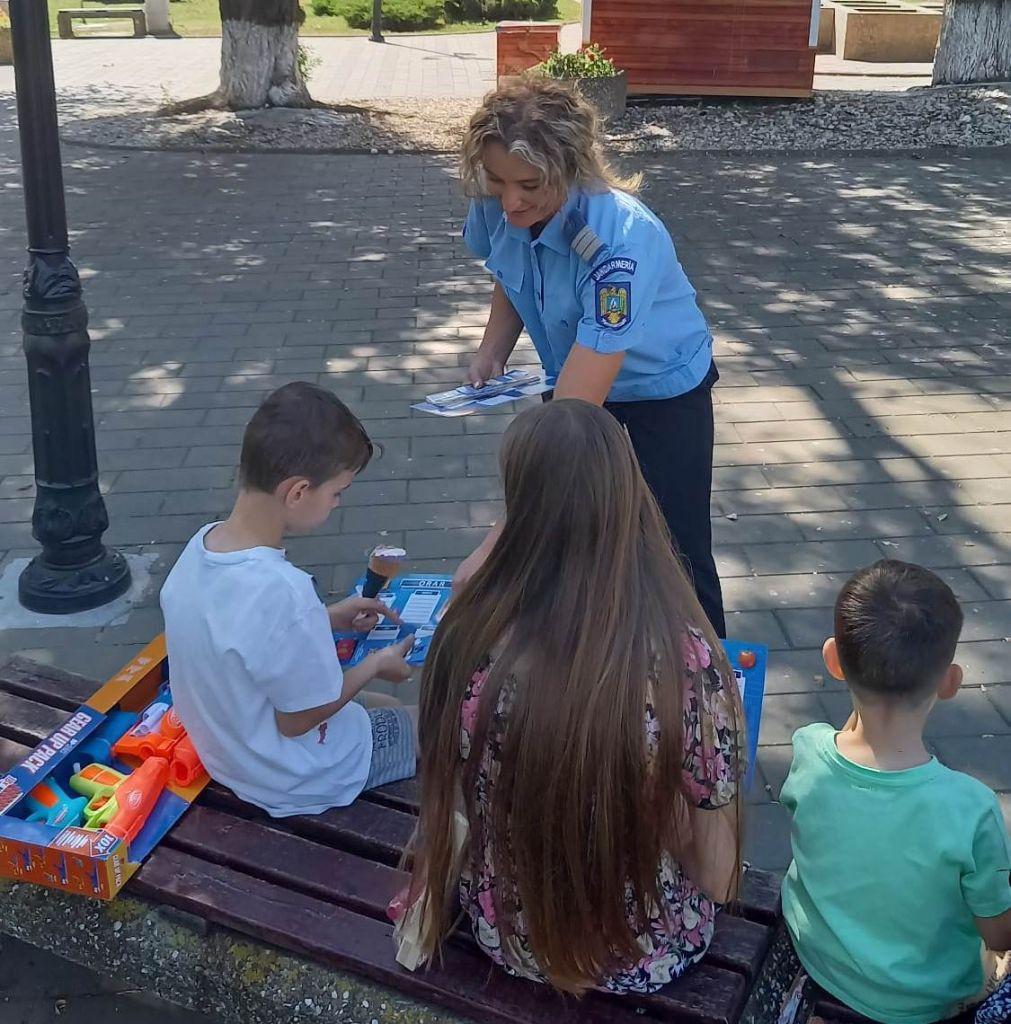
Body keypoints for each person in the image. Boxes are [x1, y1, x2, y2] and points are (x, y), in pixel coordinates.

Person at [396, 400, 743, 995]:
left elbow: (454, 797)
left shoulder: (467, 633)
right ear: (629, 497)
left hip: (506, 934)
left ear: (516, 508)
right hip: (644, 951)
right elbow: (719, 878)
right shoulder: (686, 661)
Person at [453, 76, 725, 636]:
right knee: (572, 532)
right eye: (497, 182)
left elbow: (580, 404)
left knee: (672, 542)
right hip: (571, 374)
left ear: (570, 168)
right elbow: (509, 268)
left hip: (659, 390)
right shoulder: (497, 204)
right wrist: (492, 350)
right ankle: (588, 651)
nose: (510, 202)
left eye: (529, 185)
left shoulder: (622, 240)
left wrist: (498, 542)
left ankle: (713, 666)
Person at [161, 382, 417, 818]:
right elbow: (298, 720)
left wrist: (327, 618)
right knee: (437, 724)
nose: (337, 504)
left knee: (386, 707)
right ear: (297, 492)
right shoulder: (285, 590)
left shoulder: (201, 547)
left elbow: (243, 633)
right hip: (298, 775)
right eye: (336, 493)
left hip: (232, 755)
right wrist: (375, 664)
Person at [781, 560, 1011, 1023]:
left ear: (833, 661)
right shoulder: (970, 809)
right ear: (950, 682)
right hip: (922, 1003)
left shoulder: (809, 750)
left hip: (818, 958)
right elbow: (999, 934)